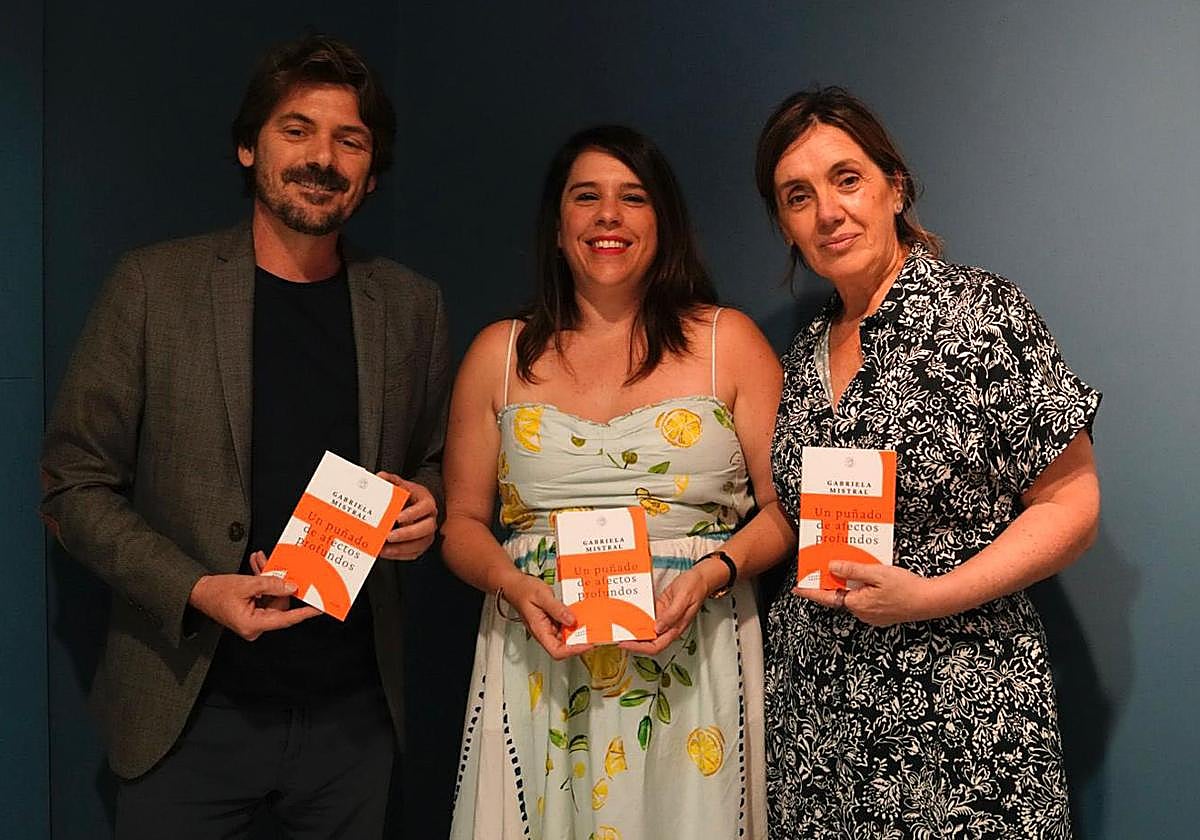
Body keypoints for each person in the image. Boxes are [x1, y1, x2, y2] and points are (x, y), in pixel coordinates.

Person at [40, 34, 449, 838]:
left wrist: (426, 503)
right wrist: (196, 587)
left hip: (352, 720)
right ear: (247, 144)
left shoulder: (411, 306)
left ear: (370, 172)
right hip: (186, 709)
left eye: (350, 140)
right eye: (297, 130)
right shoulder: (154, 286)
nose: (322, 157)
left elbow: (430, 459)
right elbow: (71, 485)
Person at [755, 86, 1102, 838]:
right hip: (821, 726)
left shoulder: (984, 315)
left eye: (847, 179)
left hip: (960, 714)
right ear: (785, 225)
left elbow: (1072, 506)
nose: (828, 212)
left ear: (894, 186)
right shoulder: (802, 353)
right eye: (798, 196)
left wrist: (931, 595)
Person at [442, 125, 791, 839]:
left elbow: (787, 513)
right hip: (540, 656)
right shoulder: (498, 354)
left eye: (632, 198)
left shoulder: (731, 343)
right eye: (587, 196)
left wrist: (714, 573)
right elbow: (462, 526)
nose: (609, 215)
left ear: (661, 222)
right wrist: (513, 586)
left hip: (693, 652)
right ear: (558, 225)